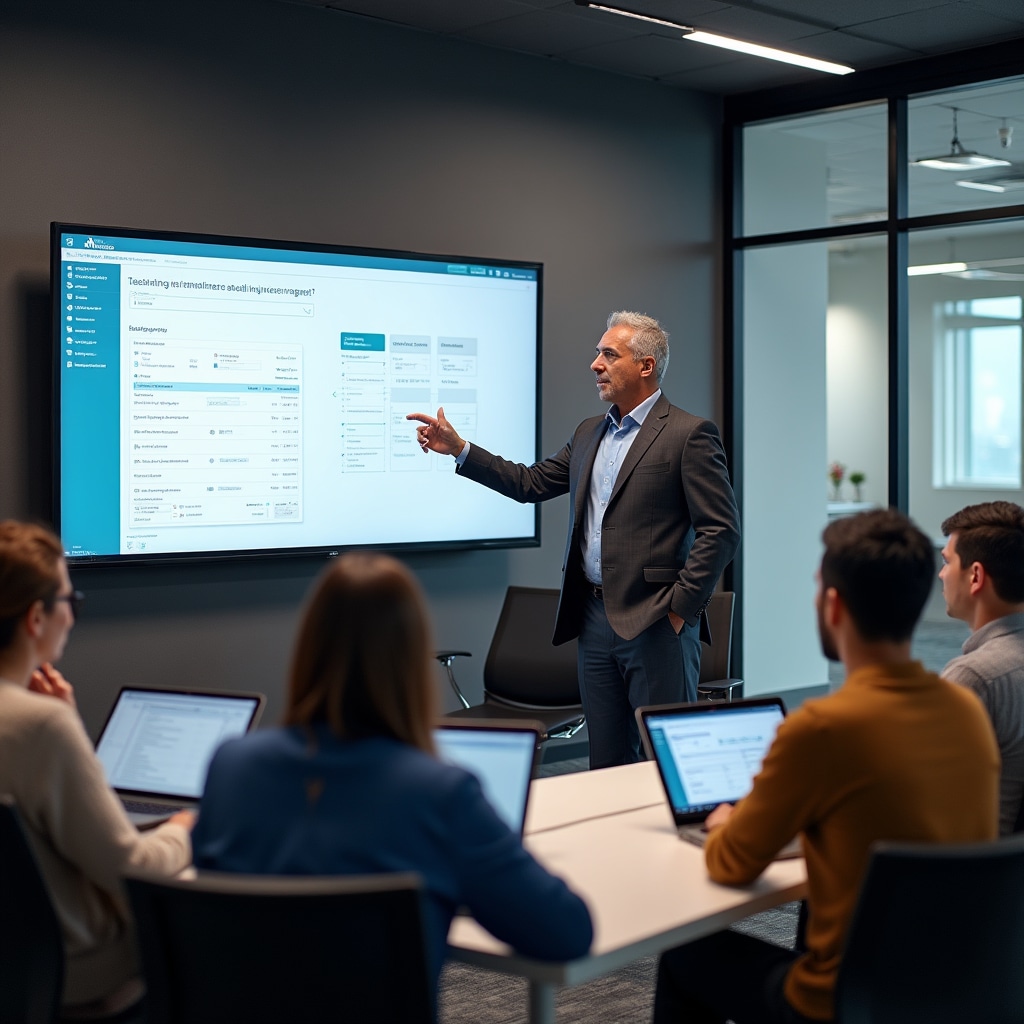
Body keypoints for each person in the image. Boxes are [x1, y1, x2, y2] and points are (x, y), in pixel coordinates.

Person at [191, 551, 592, 1005]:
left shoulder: (232, 766)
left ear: (308, 648)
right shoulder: (439, 793)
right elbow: (567, 933)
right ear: (409, 661)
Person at [653, 508, 999, 1024]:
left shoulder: (822, 728)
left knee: (686, 957)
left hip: (841, 1002)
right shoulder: (966, 710)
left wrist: (726, 822)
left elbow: (732, 864)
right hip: (953, 987)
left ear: (833, 604)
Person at [407, 311, 740, 769]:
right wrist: (462, 449)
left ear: (646, 365)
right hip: (594, 621)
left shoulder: (689, 434)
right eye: (598, 353)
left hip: (657, 623)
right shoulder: (588, 433)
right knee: (605, 762)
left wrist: (679, 610)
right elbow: (528, 483)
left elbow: (721, 530)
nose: (595, 364)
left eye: (609, 355)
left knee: (665, 762)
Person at [0, 520, 193, 1015]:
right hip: (76, 974)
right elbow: (131, 868)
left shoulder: (37, 723)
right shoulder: (40, 727)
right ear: (36, 618)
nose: (71, 615)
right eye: (69, 600)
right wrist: (183, 828)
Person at [939, 500, 1024, 835]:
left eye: (947, 562)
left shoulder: (975, 678)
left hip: (971, 862)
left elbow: (926, 798)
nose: (941, 574)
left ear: (975, 576)